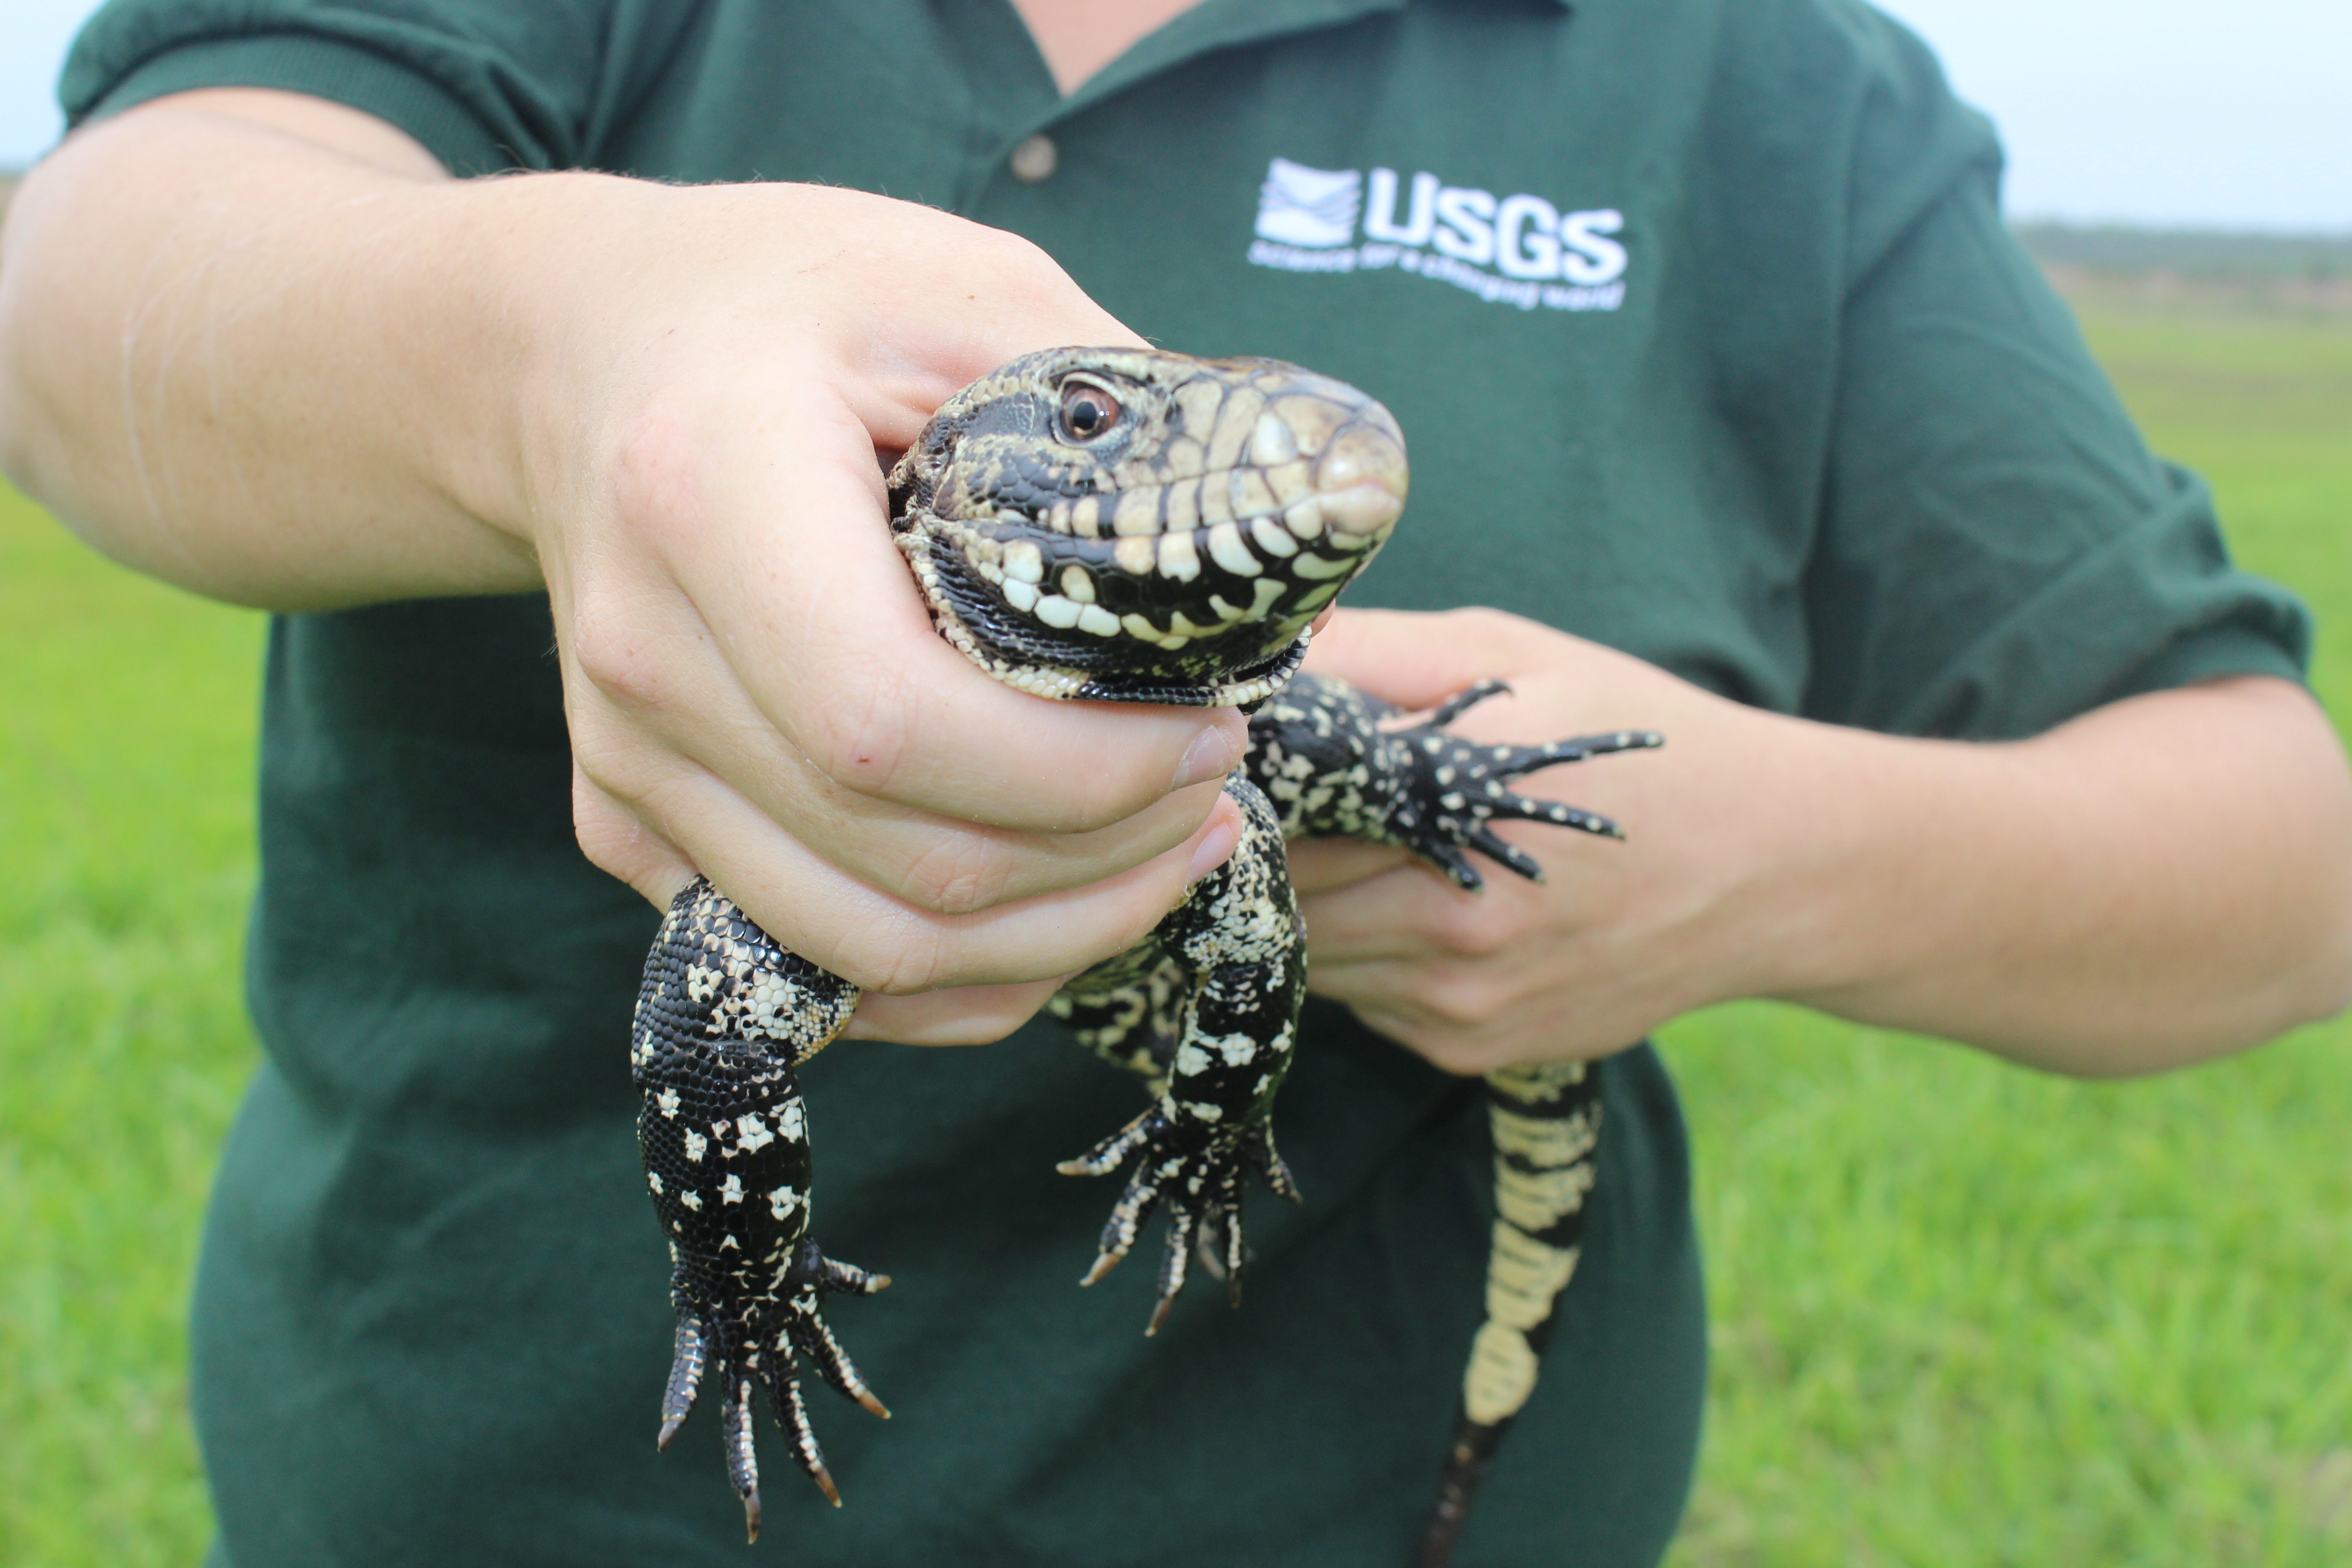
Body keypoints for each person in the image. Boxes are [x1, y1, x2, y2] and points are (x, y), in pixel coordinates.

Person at [4, 0, 2348, 1563]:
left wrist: (1744, 862)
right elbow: (96, 270)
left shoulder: (1759, 83)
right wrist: (554, 351)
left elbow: (2286, 845)